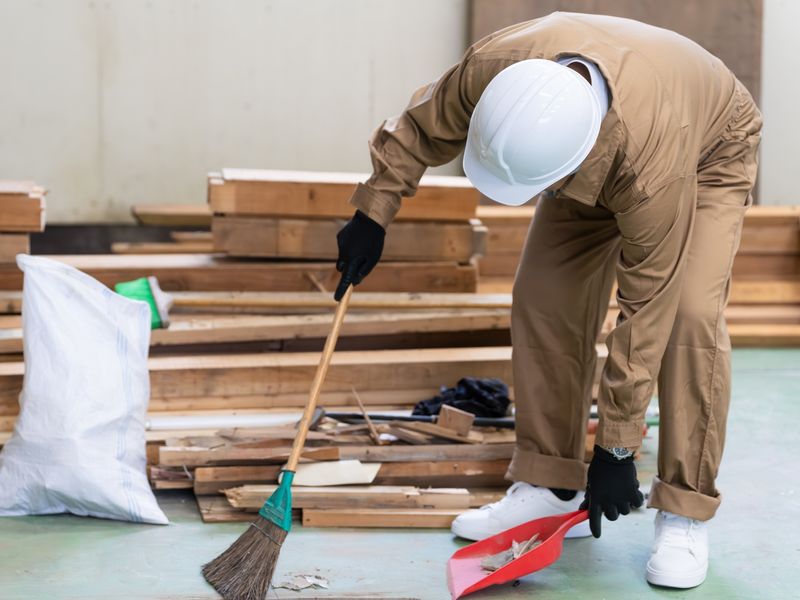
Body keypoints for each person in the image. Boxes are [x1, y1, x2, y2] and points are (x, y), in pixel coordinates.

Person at [334, 12, 761, 589]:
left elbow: (645, 313)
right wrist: (373, 210)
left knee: (688, 319)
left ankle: (684, 509)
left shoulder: (650, 172)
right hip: (615, 123)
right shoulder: (493, 73)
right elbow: (417, 128)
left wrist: (615, 449)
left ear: (572, 158)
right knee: (543, 298)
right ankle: (551, 483)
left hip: (706, 147)